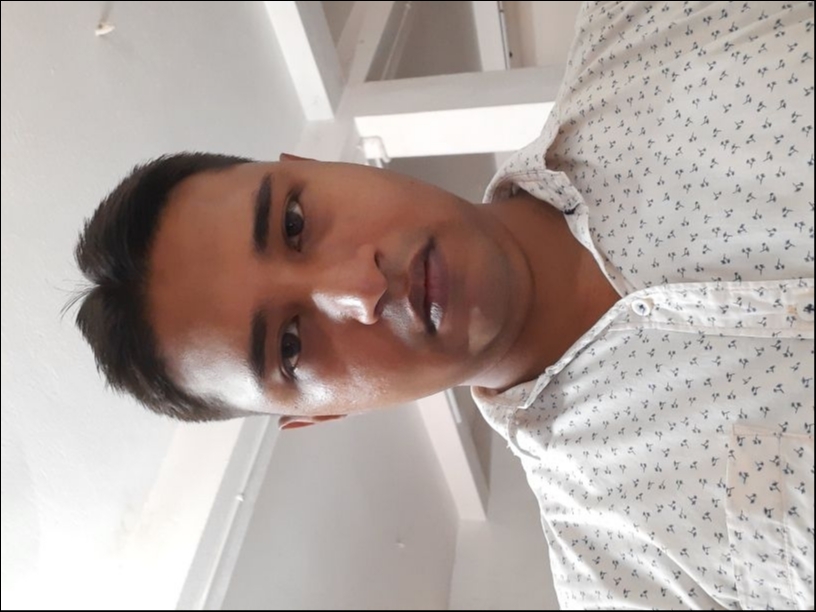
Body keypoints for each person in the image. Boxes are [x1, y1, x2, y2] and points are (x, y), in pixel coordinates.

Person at [72, 1, 813, 609]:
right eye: (290, 347)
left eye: (294, 223)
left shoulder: (655, 19)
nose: (361, 289)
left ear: (316, 167)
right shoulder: (625, 577)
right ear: (324, 414)